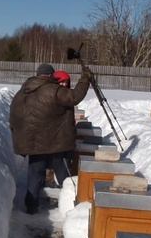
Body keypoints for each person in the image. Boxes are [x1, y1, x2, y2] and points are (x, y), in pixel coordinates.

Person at [9, 63, 93, 214]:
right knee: (63, 175)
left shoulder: (23, 91)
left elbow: (14, 115)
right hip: (55, 143)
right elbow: (74, 97)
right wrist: (85, 79)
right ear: (51, 75)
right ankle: (72, 205)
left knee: (35, 175)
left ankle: (31, 207)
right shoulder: (54, 90)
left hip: (33, 143)